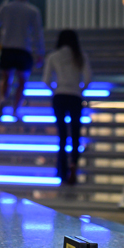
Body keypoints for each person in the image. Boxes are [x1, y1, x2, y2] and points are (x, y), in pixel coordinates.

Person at [0, 0, 45, 117]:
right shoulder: (33, 11)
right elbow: (37, 33)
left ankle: (2, 100)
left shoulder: (6, 7)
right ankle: (16, 109)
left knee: (6, 78)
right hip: (24, 49)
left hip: (7, 48)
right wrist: (40, 53)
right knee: (22, 81)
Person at [43, 30, 92, 185]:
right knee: (76, 135)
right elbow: (89, 78)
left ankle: (62, 171)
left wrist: (55, 89)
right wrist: (80, 89)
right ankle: (74, 168)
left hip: (59, 96)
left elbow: (45, 80)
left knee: (62, 135)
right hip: (75, 97)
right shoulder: (80, 56)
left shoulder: (53, 56)